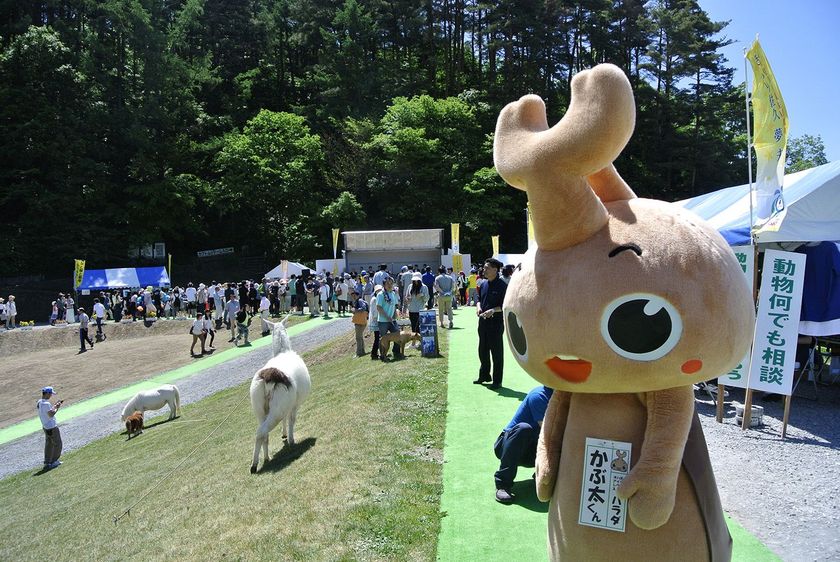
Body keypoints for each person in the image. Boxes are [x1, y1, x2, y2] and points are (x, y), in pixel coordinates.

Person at [493, 385, 554, 503]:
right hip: (506, 446)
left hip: (530, 446)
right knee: (524, 429)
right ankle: (502, 483)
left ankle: (540, 476)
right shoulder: (539, 396)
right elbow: (547, 433)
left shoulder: (562, 398)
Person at [475, 258, 507, 388]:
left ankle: (497, 381)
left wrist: (493, 310)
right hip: (483, 322)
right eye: (484, 267)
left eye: (487, 268)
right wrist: (478, 307)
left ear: (495, 270)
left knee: (496, 353)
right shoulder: (483, 284)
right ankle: (484, 375)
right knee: (482, 350)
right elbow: (478, 299)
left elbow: (505, 305)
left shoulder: (502, 286)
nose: (484, 270)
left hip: (496, 323)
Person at [376, 277, 402, 361]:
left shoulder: (393, 294)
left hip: (392, 320)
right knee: (383, 338)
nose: (390, 285)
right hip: (383, 321)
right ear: (384, 285)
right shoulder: (381, 294)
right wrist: (387, 317)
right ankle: (382, 355)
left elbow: (394, 305)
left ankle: (396, 352)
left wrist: (395, 314)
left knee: (397, 335)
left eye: (391, 283)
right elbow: (379, 307)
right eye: (388, 283)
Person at [37, 386, 64, 469]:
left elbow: (47, 412)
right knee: (58, 444)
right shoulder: (46, 404)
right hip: (52, 427)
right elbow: (51, 414)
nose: (51, 396)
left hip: (45, 427)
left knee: (49, 444)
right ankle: (54, 461)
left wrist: (54, 406)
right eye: (50, 394)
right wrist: (57, 408)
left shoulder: (39, 402)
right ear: (47, 393)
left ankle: (47, 462)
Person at [350, 289, 369, 356]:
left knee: (358, 337)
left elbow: (363, 308)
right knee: (360, 337)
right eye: (352, 295)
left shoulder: (360, 301)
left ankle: (359, 353)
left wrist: (355, 310)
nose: (353, 296)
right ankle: (362, 351)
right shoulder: (358, 301)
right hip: (361, 321)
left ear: (357, 295)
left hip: (360, 322)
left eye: (354, 295)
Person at [368, 284, 383, 360]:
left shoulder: (377, 298)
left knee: (378, 338)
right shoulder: (374, 299)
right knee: (377, 338)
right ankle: (374, 353)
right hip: (375, 321)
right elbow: (374, 313)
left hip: (378, 320)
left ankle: (377, 352)